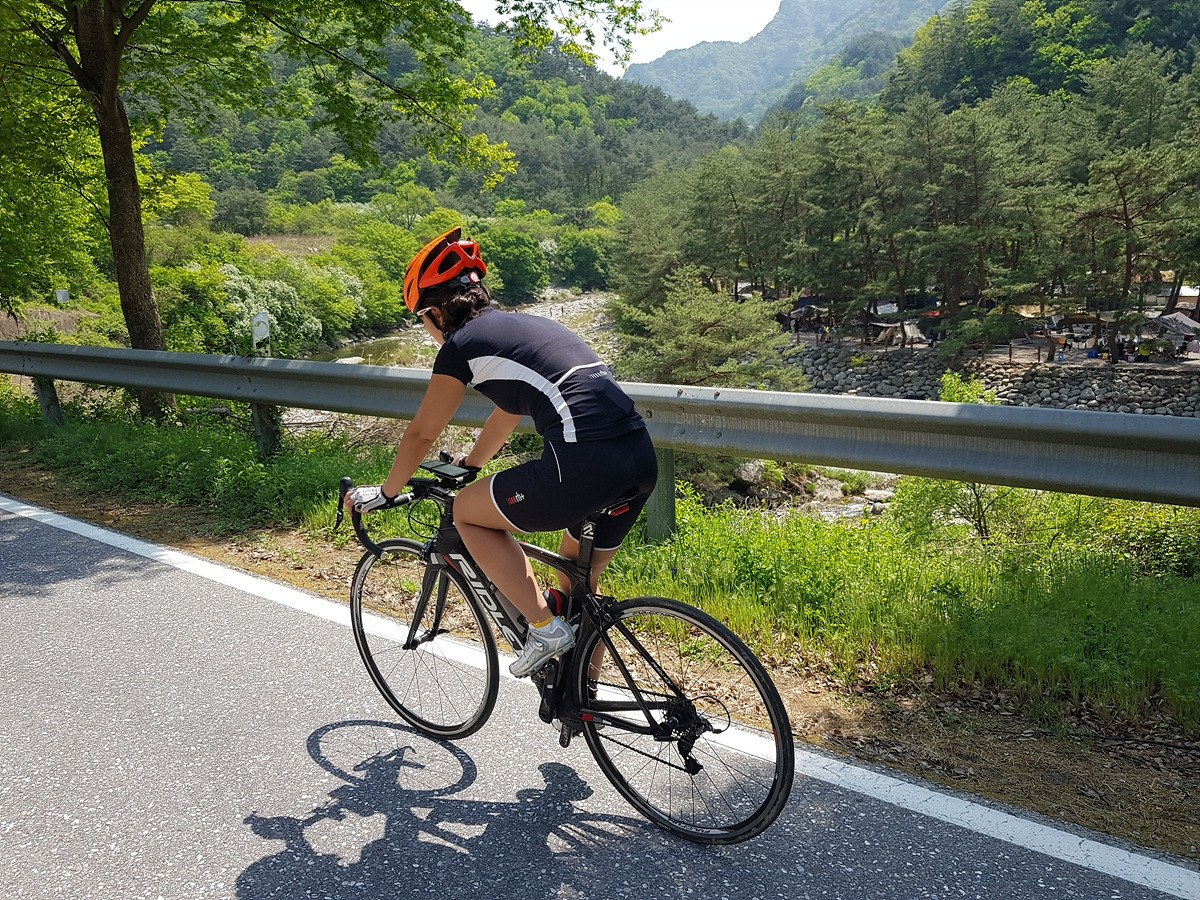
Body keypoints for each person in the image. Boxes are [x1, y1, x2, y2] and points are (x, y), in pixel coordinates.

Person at [345, 228, 657, 678]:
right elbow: (507, 414)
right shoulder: (523, 328)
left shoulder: (460, 346)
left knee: (467, 513)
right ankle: (583, 698)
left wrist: (387, 492)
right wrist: (472, 464)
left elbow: (421, 434)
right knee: (577, 582)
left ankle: (543, 629)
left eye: (423, 319)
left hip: (583, 463)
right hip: (638, 459)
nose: (427, 330)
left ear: (435, 313)